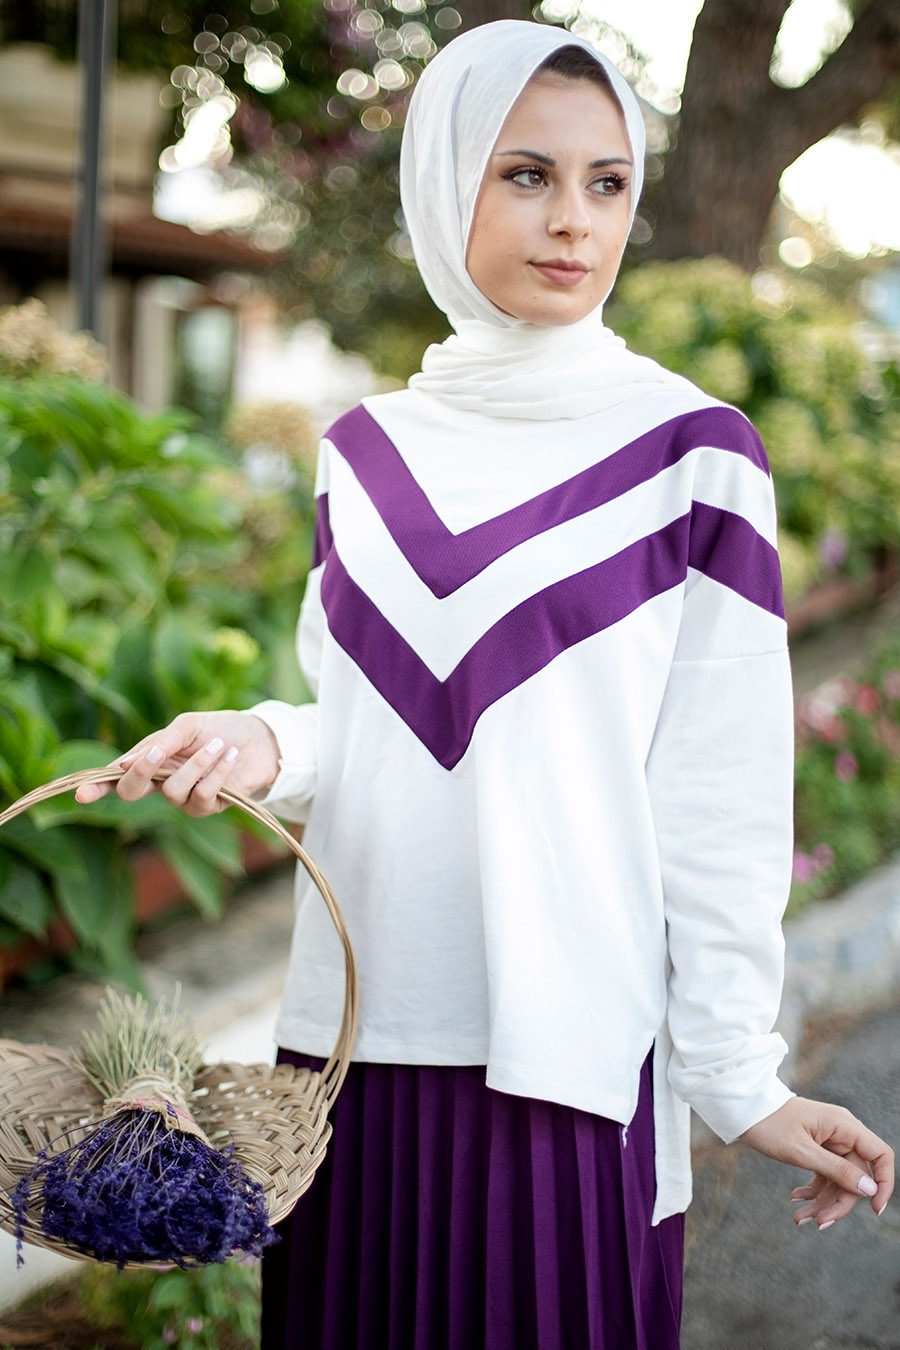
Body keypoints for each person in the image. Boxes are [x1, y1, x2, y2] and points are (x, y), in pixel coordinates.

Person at [77, 20, 894, 1349]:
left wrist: (740, 1077)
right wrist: (256, 739)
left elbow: (722, 795)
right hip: (350, 1058)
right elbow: (362, 718)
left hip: (566, 1064)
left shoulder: (693, 453)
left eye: (606, 181)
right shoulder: (366, 450)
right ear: (442, 179)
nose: (573, 220)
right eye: (525, 174)